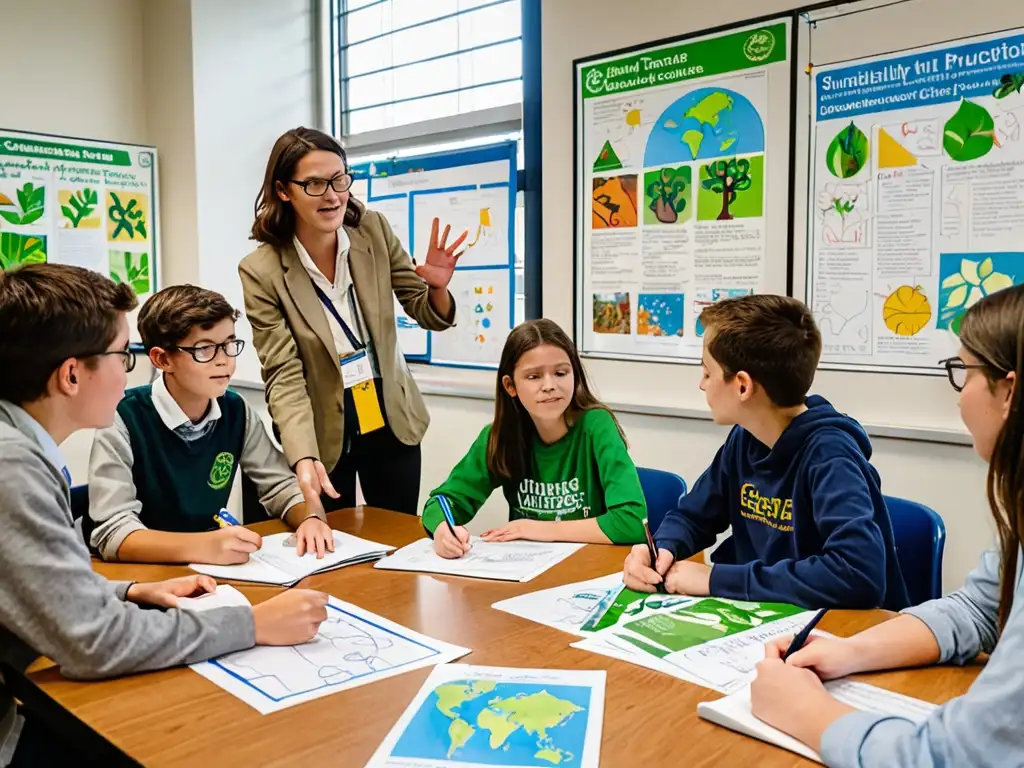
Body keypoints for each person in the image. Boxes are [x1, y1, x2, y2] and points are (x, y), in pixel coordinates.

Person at [0, 264, 328, 767]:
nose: (128, 371)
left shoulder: (20, 447)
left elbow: (34, 583)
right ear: (71, 374)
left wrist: (129, 591)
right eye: (122, 355)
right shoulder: (14, 466)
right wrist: (251, 624)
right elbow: (95, 642)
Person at [750, 284, 1024, 767]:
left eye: (964, 373)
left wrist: (806, 710)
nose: (959, 400)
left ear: (1009, 390)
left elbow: (951, 757)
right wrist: (851, 652)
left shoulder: (828, 449)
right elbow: (980, 610)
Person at [622, 295, 908, 610]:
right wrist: (660, 549)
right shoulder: (745, 438)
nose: (702, 385)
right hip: (761, 615)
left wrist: (712, 579)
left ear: (742, 386)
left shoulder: (830, 455)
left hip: (834, 630)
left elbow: (857, 576)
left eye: (707, 372)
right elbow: (694, 515)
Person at [240, 127, 466, 517]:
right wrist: (302, 454)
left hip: (388, 408)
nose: (332, 195)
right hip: (321, 421)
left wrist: (438, 288)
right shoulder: (261, 271)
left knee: (397, 535)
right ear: (283, 190)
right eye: (313, 184)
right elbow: (282, 371)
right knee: (332, 544)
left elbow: (426, 311)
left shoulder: (372, 231)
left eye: (339, 179)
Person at [86, 285, 335, 564]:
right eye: (204, 349)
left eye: (229, 344)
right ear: (162, 359)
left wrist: (311, 517)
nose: (224, 360)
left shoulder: (235, 410)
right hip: (140, 574)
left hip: (206, 570)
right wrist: (205, 545)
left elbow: (280, 487)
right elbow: (114, 531)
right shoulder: (122, 417)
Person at [423, 319, 646, 558]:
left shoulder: (597, 426)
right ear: (511, 386)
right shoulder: (499, 437)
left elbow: (632, 522)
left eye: (561, 373)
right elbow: (442, 501)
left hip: (590, 565)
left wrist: (534, 528)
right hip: (527, 571)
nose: (549, 385)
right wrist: (442, 530)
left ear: (575, 375)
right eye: (533, 377)